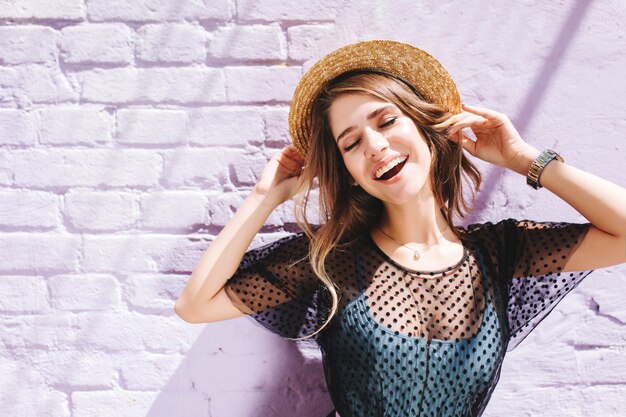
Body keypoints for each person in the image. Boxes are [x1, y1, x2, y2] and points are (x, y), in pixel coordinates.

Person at [174, 40, 626, 417]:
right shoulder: (329, 260)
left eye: (387, 121)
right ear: (349, 171)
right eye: (351, 143)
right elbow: (195, 305)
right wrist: (262, 198)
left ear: (426, 128)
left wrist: (525, 160)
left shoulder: (502, 251)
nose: (375, 145)